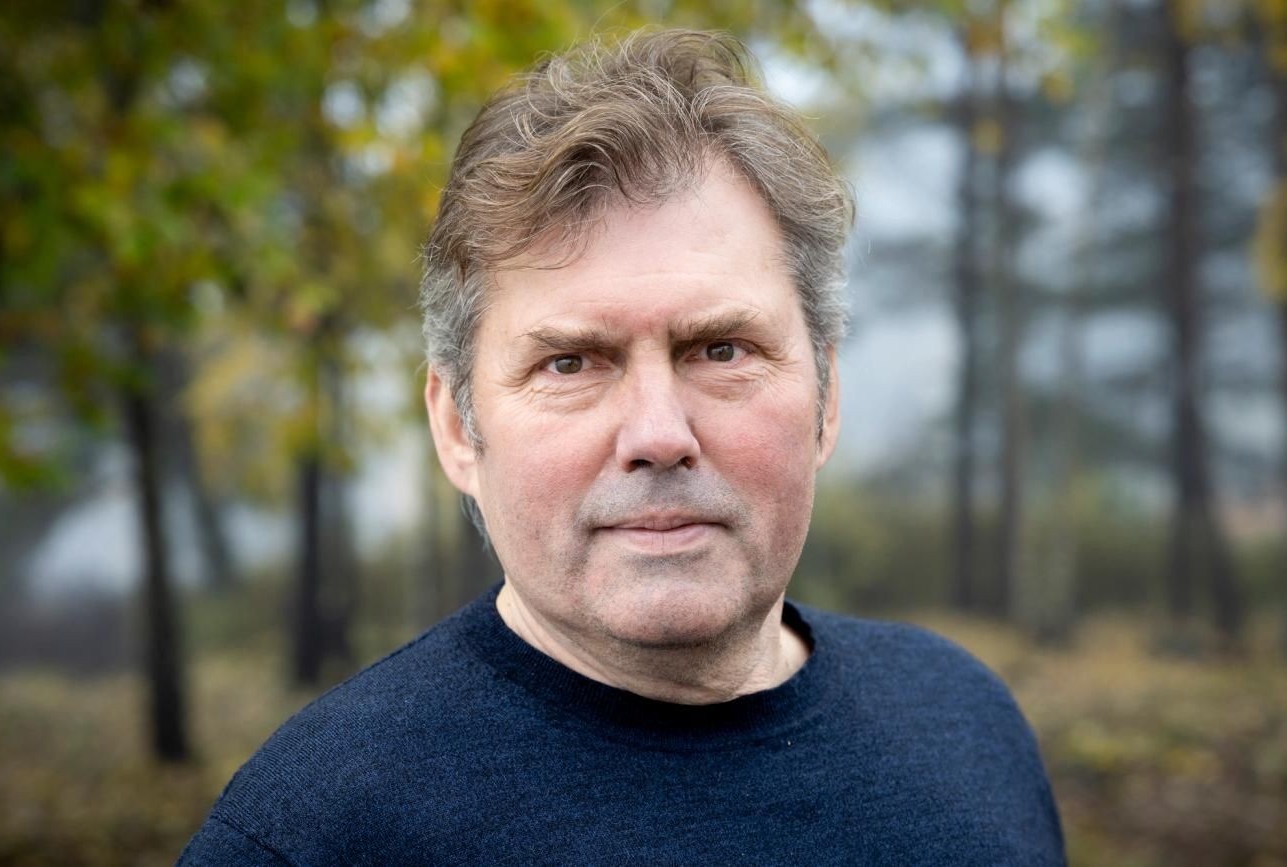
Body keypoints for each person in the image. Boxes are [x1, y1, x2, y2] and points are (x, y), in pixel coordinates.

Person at [178, 29, 1064, 866]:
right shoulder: (318, 834)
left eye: (720, 350)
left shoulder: (965, 725)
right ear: (456, 427)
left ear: (826, 398)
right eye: (571, 362)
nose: (658, 435)